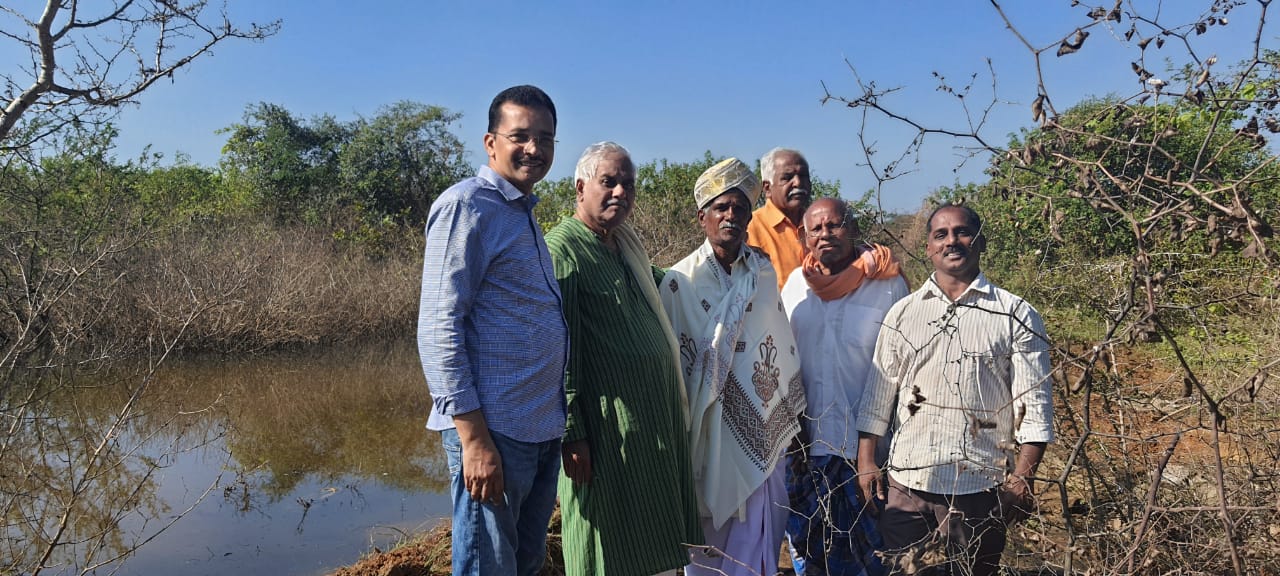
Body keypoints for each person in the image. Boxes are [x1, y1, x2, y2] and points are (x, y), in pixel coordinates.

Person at [855, 204, 1054, 576]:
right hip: (907, 486)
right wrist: (866, 461)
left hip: (979, 487)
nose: (952, 241)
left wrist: (1023, 477)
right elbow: (877, 396)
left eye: (962, 232)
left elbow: (1036, 406)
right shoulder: (902, 313)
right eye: (941, 235)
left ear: (980, 242)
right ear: (929, 247)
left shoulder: (1016, 315)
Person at [417, 84, 567, 576]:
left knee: (522, 565)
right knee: (488, 567)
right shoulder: (468, 206)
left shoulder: (522, 213)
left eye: (545, 138)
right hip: (494, 433)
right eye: (520, 135)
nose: (534, 148)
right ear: (490, 142)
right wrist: (473, 440)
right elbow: (439, 328)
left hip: (537, 430)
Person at [545, 141, 703, 576]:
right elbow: (560, 350)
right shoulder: (563, 251)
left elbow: (672, 286)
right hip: (606, 430)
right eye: (608, 182)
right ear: (580, 187)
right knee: (606, 543)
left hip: (650, 426)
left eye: (627, 184)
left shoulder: (623, 244)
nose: (620, 192)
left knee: (654, 539)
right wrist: (572, 433)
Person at [659, 157, 806, 576]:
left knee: (764, 531)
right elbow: (674, 364)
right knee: (708, 537)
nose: (730, 216)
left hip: (764, 426)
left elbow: (777, 343)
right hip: (706, 432)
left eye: (740, 208)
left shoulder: (761, 272)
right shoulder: (678, 281)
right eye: (721, 208)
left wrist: (790, 417)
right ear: (702, 217)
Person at [779, 198, 909, 576]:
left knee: (875, 559)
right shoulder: (795, 286)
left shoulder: (887, 284)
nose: (825, 235)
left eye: (834, 225)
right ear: (804, 237)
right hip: (810, 450)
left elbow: (904, 365)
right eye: (815, 229)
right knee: (815, 556)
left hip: (870, 451)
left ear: (852, 229)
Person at [747, 147, 812, 290]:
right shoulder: (750, 228)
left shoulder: (821, 225)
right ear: (767, 188)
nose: (798, 183)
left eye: (803, 175)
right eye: (787, 178)